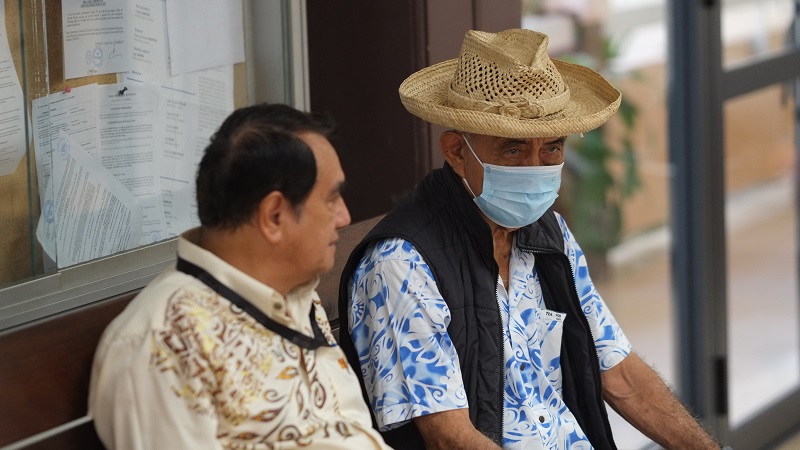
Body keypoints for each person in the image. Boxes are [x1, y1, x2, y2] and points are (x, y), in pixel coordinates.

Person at [337, 29, 724, 450]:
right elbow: (450, 438)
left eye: (552, 149)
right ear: (456, 151)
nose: (536, 168)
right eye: (513, 151)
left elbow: (622, 375)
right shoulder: (402, 263)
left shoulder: (550, 234)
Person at [89, 103, 392, 450]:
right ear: (274, 215)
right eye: (331, 199)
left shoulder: (292, 291)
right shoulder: (163, 342)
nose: (344, 216)